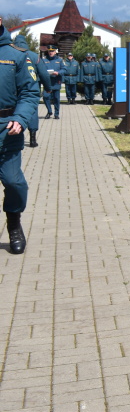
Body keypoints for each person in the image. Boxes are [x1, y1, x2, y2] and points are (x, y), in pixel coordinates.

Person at [0, 17, 40, 254]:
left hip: (7, 129)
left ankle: (14, 223)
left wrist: (20, 118)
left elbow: (30, 92)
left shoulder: (16, 55)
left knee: (13, 182)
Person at [13, 36, 51, 148]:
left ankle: (15, 137)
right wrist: (48, 88)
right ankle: (32, 139)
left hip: (14, 90)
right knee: (32, 111)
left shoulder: (11, 54)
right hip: (31, 89)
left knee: (15, 111)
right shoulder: (34, 56)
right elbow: (44, 74)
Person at [41, 45, 66, 119]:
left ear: (55, 52)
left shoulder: (60, 60)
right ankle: (49, 111)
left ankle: (56, 114)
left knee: (56, 98)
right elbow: (41, 69)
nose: (51, 52)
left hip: (56, 81)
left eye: (52, 51)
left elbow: (64, 69)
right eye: (49, 51)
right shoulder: (44, 60)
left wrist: (58, 73)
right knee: (45, 96)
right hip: (47, 82)